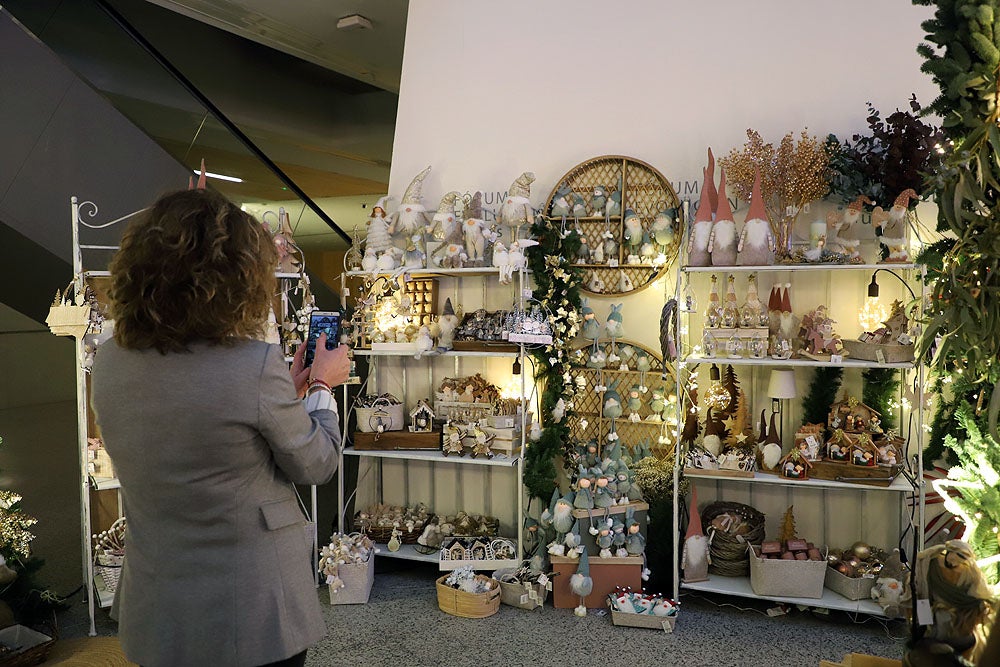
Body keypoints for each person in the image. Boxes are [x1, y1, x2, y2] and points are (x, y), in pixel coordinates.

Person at [91, 188, 350, 667]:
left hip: (158, 604)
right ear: (234, 279)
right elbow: (316, 463)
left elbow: (200, 425)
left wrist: (281, 395)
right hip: (249, 608)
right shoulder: (252, 365)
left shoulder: (108, 361)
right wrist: (321, 387)